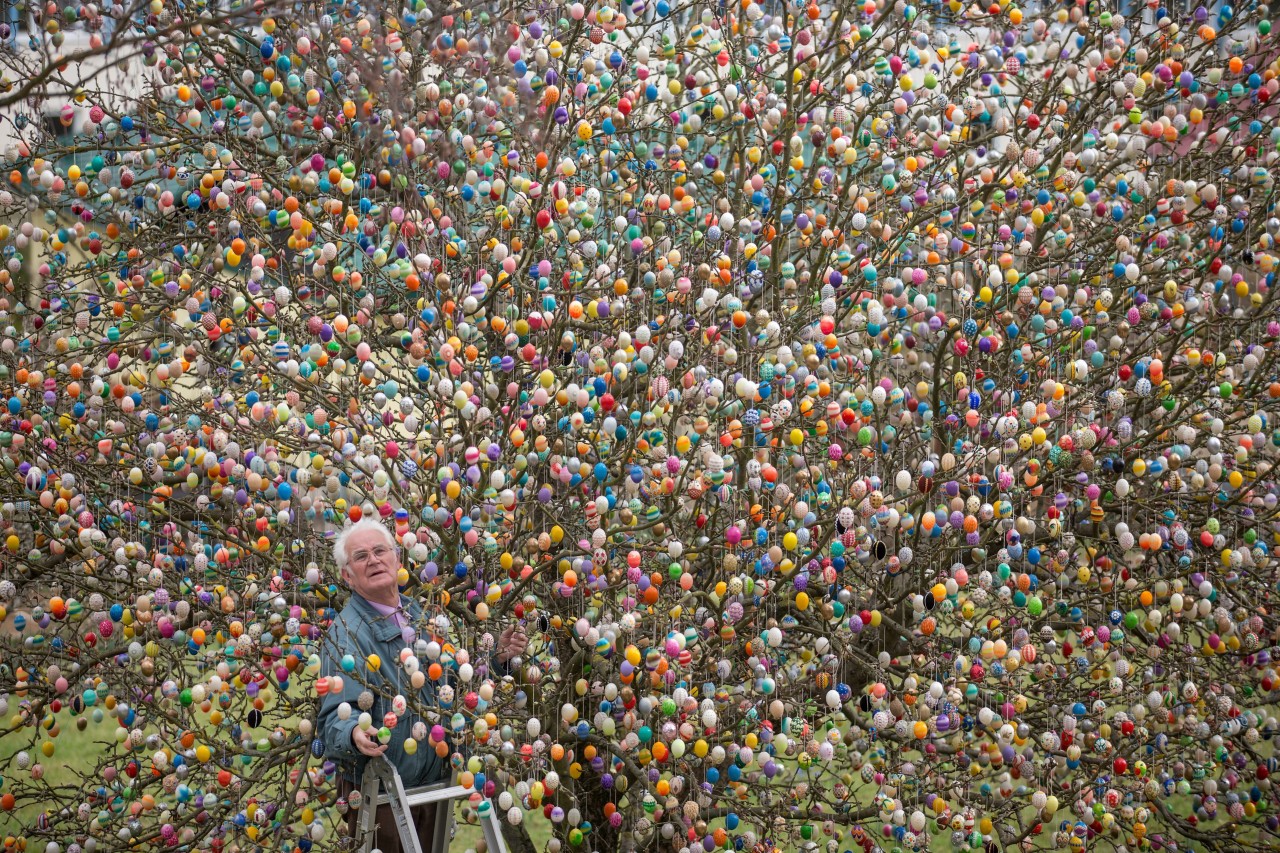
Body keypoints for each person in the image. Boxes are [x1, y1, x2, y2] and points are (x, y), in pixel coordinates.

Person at [317, 518, 529, 852]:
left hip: (430, 786)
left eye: (379, 551)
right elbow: (333, 720)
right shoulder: (347, 635)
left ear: (397, 559)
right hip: (383, 796)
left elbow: (448, 687)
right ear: (347, 575)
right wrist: (353, 735)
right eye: (360, 557)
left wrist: (495, 659)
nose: (373, 560)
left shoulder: (417, 612)